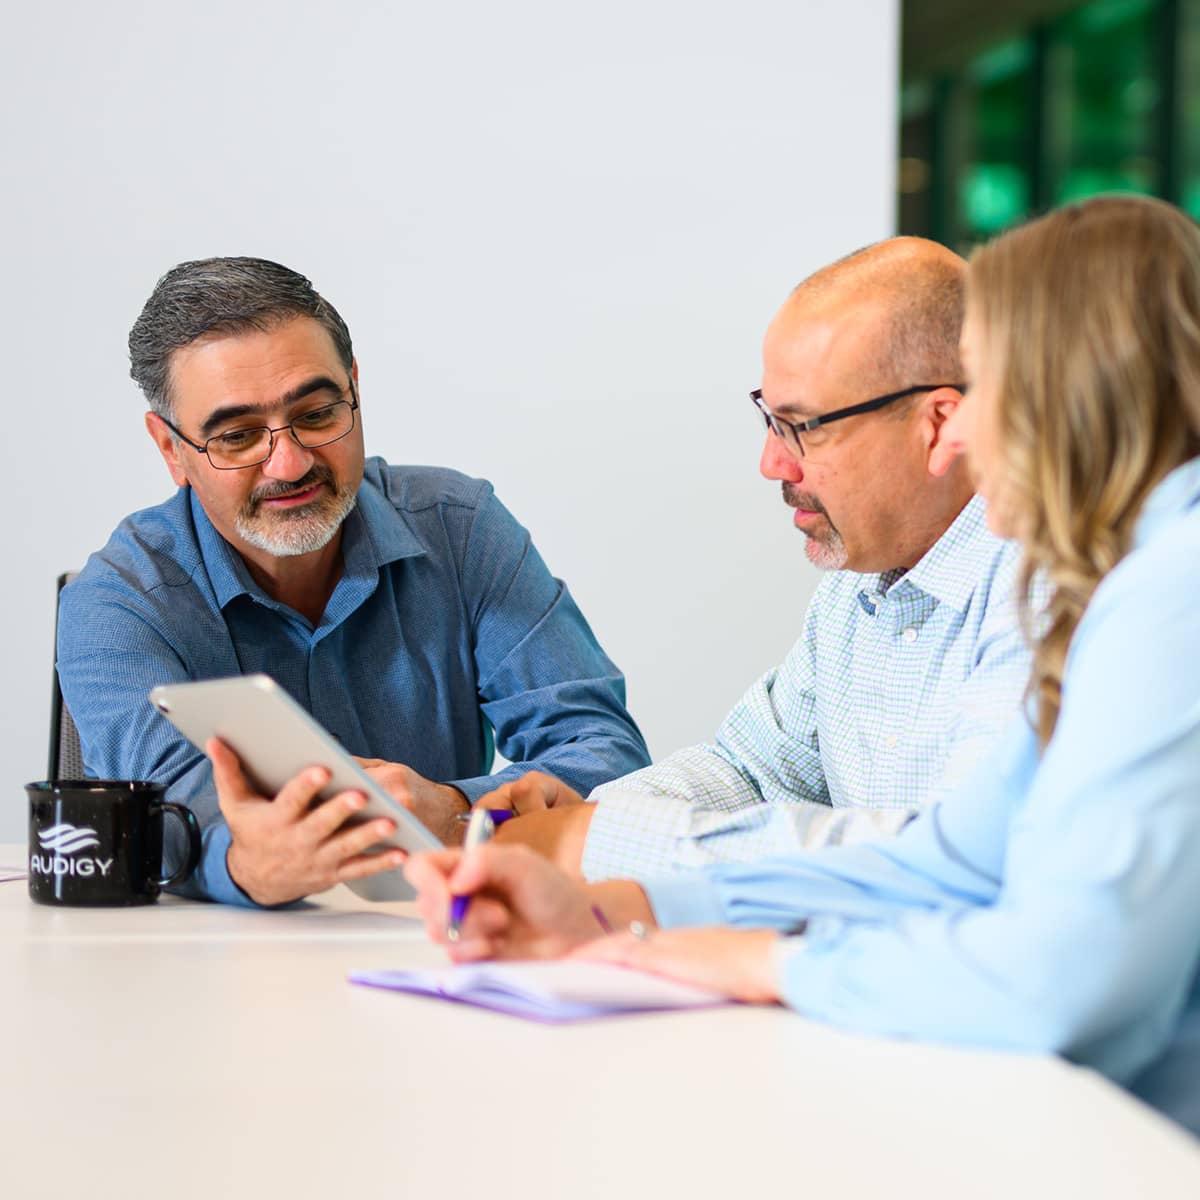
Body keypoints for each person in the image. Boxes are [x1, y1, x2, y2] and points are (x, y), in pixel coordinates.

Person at [408, 195, 1200, 1137]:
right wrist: (624, 906)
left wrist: (758, 962)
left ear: (1068, 393)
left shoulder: (1166, 589)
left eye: (978, 393)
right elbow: (950, 859)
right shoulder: (1126, 581)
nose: (958, 442)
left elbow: (1055, 976)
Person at [57, 257, 650, 907]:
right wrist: (250, 864)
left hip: (442, 942)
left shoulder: (461, 527)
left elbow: (605, 751)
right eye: (238, 436)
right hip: (217, 965)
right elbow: (165, 822)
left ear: (355, 388)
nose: (289, 463)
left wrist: (453, 808)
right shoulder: (117, 601)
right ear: (171, 449)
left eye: (315, 413)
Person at [487, 238, 1030, 879]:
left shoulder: (1045, 588)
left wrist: (601, 844)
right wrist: (591, 816)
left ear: (938, 423)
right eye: (770, 420)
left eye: (804, 426)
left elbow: (944, 859)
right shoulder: (857, 587)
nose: (773, 462)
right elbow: (750, 772)